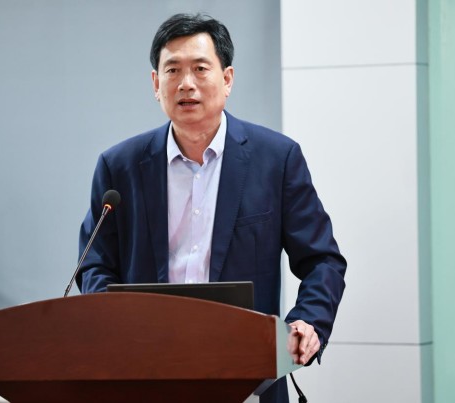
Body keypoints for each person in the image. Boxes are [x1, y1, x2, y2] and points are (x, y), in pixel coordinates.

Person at [78, 13, 347, 403]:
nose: (186, 83)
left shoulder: (276, 159)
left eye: (200, 68)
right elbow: (94, 263)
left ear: (227, 79)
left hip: (247, 375)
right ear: (155, 83)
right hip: (145, 372)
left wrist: (308, 321)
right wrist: (117, 325)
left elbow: (322, 260)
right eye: (173, 70)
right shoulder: (119, 166)